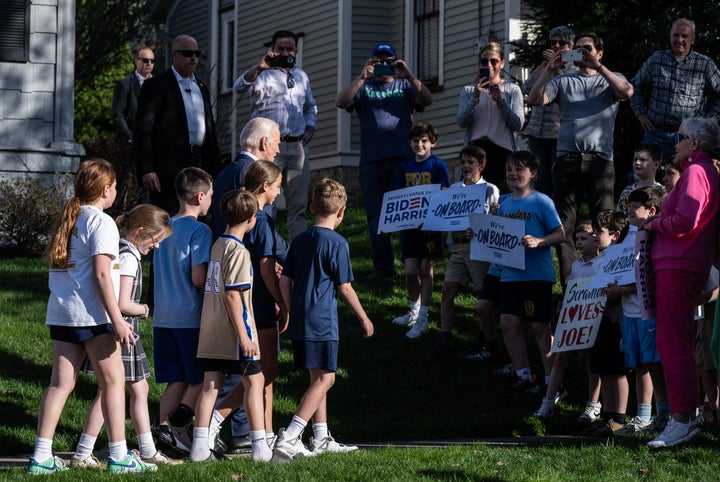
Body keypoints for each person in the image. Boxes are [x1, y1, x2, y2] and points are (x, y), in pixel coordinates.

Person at [28, 159, 156, 474]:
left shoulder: (69, 218)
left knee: (60, 385)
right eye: (112, 187)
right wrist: (117, 319)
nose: (114, 191)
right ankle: (119, 457)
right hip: (93, 317)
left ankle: (41, 457)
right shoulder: (102, 223)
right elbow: (102, 274)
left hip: (62, 314)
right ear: (104, 190)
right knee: (113, 383)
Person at [273, 178, 374, 461]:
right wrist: (364, 318)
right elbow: (345, 287)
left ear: (312, 207)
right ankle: (291, 435)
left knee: (316, 378)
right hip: (323, 320)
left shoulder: (300, 239)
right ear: (341, 211)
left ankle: (320, 437)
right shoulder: (338, 243)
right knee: (327, 379)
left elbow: (285, 280)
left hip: (302, 318)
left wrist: (290, 309)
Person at [71, 205, 178, 467]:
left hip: (120, 330)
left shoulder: (121, 250)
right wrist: (144, 309)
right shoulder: (129, 257)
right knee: (114, 390)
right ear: (140, 232)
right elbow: (122, 303)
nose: (157, 247)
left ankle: (140, 449)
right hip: (123, 330)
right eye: (155, 241)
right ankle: (90, 451)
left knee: (121, 390)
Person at [527, 31, 634, 288]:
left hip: (600, 161)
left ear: (599, 52)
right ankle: (572, 290)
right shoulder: (563, 81)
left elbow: (627, 92)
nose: (582, 53)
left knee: (605, 223)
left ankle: (606, 286)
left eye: (587, 48)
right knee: (565, 226)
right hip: (567, 159)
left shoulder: (611, 78)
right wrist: (548, 69)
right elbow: (534, 99)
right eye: (578, 49)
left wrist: (598, 67)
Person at [640, 117, 720, 448]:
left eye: (680, 137)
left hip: (679, 264)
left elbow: (686, 219)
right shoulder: (702, 172)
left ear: (695, 144)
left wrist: (654, 223)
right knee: (676, 343)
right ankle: (685, 417)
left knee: (674, 344)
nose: (675, 143)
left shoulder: (697, 172)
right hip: (682, 263)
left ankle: (682, 419)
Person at [335, 42, 432, 279]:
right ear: (371, 62)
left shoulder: (404, 85)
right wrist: (361, 76)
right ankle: (384, 267)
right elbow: (341, 101)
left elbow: (427, 100)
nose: (384, 64)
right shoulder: (364, 87)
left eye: (388, 60)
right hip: (372, 160)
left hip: (403, 159)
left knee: (407, 214)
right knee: (376, 215)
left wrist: (408, 75)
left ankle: (411, 264)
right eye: (379, 60)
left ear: (396, 61)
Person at [189, 189, 274, 462]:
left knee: (210, 385)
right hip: (234, 331)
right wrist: (244, 337)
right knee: (256, 381)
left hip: (211, 328)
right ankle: (260, 447)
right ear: (252, 219)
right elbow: (232, 294)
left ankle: (199, 449)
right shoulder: (239, 251)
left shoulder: (218, 244)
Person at [151, 167, 213, 455]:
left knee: (176, 379)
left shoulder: (162, 228)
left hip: (163, 316)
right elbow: (199, 278)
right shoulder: (200, 230)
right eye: (211, 195)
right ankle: (175, 425)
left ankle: (162, 439)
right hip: (190, 316)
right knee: (201, 379)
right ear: (200, 196)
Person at [234, 30, 317, 241]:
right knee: (263, 202)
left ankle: (295, 257)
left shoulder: (302, 76)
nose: (285, 52)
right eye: (281, 48)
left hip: (297, 147)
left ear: (296, 50)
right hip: (268, 149)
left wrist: (310, 128)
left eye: (290, 49)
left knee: (298, 206)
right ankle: (265, 250)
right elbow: (238, 88)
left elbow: (310, 107)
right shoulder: (262, 73)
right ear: (273, 50)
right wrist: (260, 67)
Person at [496, 151, 564, 394]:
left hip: (537, 274)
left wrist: (539, 241)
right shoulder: (503, 204)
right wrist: (479, 236)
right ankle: (525, 376)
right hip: (510, 274)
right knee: (508, 323)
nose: (513, 174)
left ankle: (554, 383)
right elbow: (495, 236)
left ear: (533, 174)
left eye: (519, 169)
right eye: (509, 170)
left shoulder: (541, 201)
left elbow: (560, 234)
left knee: (539, 328)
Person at [423, 145, 499, 359]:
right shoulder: (453, 189)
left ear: (481, 166)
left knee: (481, 296)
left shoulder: (489, 189)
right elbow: (442, 214)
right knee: (447, 291)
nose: (466, 166)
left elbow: (494, 221)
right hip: (456, 247)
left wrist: (480, 226)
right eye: (463, 162)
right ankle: (445, 340)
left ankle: (486, 342)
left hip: (478, 247)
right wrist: (430, 221)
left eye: (470, 163)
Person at [135, 34, 221, 215]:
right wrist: (147, 169)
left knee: (198, 216)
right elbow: (143, 130)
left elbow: (209, 130)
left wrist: (214, 168)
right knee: (167, 217)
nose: (193, 58)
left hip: (198, 164)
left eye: (197, 53)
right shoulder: (156, 85)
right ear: (175, 55)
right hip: (167, 167)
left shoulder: (201, 87)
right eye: (188, 53)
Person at [610, 188, 670, 437]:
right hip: (629, 312)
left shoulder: (654, 235)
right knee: (637, 364)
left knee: (654, 364)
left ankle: (664, 415)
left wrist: (622, 289)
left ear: (651, 211)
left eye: (635, 206)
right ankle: (643, 416)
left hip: (648, 312)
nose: (629, 209)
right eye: (628, 204)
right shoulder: (626, 234)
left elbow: (648, 274)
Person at [533, 221, 602, 420]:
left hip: (591, 317)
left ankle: (593, 404)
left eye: (584, 239)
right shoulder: (576, 264)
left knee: (591, 361)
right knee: (560, 356)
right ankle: (548, 400)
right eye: (577, 239)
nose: (579, 243)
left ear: (596, 240)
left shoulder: (602, 262)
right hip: (572, 317)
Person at [390, 122, 450, 339]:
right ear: (410, 143)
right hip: (409, 226)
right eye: (415, 140)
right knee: (409, 271)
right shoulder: (405, 166)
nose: (420, 144)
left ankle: (423, 318)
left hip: (430, 226)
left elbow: (445, 193)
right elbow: (397, 196)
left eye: (424, 140)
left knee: (426, 269)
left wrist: (431, 216)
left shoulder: (438, 165)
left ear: (432, 142)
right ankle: (413, 311)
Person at [630, 19, 720, 157]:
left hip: (689, 137)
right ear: (670, 37)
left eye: (684, 36)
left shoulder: (704, 64)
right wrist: (640, 113)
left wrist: (709, 119)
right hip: (655, 132)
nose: (679, 40)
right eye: (676, 35)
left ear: (693, 40)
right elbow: (634, 85)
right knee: (638, 174)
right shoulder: (657, 59)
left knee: (687, 176)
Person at [582, 210, 630, 437]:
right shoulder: (599, 258)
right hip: (598, 319)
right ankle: (608, 416)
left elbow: (626, 285)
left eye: (598, 233)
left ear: (615, 235)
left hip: (616, 318)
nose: (593, 237)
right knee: (604, 369)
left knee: (617, 369)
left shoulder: (624, 256)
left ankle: (619, 418)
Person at [457, 42, 524, 192]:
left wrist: (500, 101)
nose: (489, 65)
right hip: (476, 152)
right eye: (484, 61)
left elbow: (518, 124)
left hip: (503, 152)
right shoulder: (468, 91)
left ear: (502, 63)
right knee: (474, 199)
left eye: (493, 61)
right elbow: (462, 121)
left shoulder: (512, 90)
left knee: (501, 200)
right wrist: (475, 97)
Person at [521, 26, 575, 196]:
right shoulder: (543, 66)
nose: (557, 46)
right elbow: (528, 89)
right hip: (537, 132)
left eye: (562, 42)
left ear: (570, 47)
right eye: (554, 42)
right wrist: (546, 68)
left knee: (556, 177)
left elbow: (568, 90)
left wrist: (557, 68)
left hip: (557, 133)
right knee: (538, 178)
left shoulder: (574, 68)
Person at [211, 117, 282, 238]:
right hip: (250, 253)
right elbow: (262, 226)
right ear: (264, 142)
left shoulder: (225, 172)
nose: (278, 150)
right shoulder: (257, 173)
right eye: (277, 144)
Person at [112, 47, 154, 145]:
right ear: (136, 62)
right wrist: (129, 137)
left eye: (152, 61)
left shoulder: (160, 85)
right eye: (145, 60)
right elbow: (118, 114)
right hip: (132, 143)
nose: (149, 63)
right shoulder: (124, 84)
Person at [616, 143, 665, 214]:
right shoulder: (627, 191)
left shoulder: (663, 192)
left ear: (656, 164)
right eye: (635, 159)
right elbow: (618, 218)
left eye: (642, 160)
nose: (637, 163)